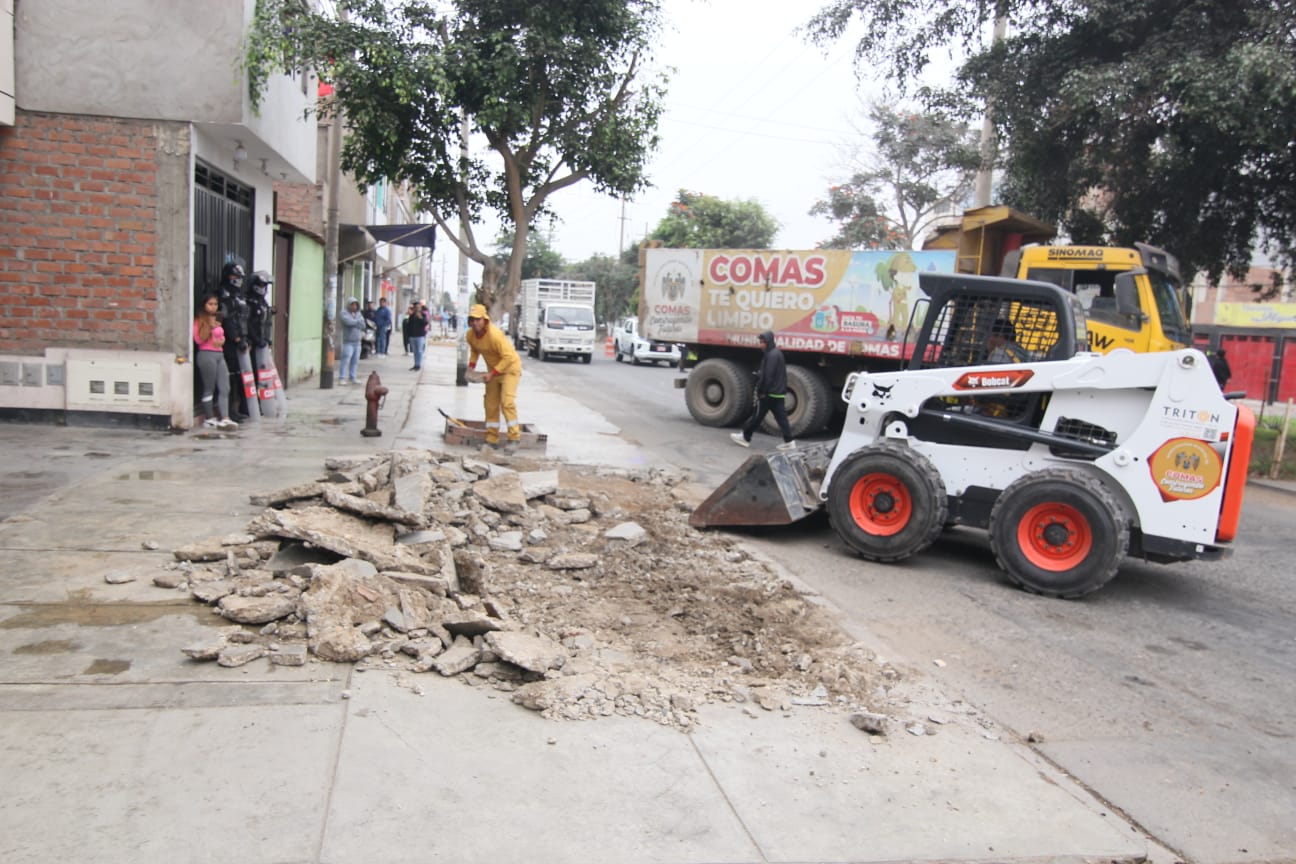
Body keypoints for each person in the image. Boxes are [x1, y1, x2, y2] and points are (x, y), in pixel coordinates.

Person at [465, 303, 524, 448]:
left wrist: (492, 373)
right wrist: (470, 368)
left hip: (510, 369)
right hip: (493, 371)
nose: (475, 323)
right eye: (472, 320)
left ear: (485, 320)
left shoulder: (495, 335)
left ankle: (514, 438)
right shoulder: (471, 335)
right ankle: (491, 440)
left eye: (478, 319)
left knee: (507, 403)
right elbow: (475, 350)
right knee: (490, 404)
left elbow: (508, 357)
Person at [730, 330, 795, 450]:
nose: (760, 345)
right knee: (781, 418)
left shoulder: (771, 355)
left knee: (757, 416)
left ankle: (745, 437)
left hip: (769, 393)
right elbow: (774, 373)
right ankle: (789, 442)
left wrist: (761, 391)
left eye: (762, 342)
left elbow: (768, 376)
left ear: (768, 342)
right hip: (778, 393)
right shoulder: (778, 354)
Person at [193, 294, 238, 430]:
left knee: (225, 386)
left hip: (219, 354)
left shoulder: (217, 319)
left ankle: (225, 417)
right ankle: (209, 417)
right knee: (209, 387)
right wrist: (210, 327)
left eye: (215, 304)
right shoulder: (199, 321)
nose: (213, 307)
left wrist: (221, 340)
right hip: (206, 354)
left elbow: (221, 336)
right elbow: (199, 340)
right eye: (210, 304)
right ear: (204, 306)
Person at [217, 261, 251, 419]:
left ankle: (242, 408)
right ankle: (229, 411)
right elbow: (228, 319)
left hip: (241, 340)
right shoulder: (224, 294)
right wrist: (236, 337)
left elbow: (243, 319)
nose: (237, 279)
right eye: (234, 276)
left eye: (239, 276)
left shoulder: (239, 295)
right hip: (228, 342)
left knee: (240, 376)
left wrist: (246, 338)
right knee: (230, 376)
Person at [338, 297, 364, 384]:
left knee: (355, 361)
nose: (354, 306)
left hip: (357, 342)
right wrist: (357, 322)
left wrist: (355, 321)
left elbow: (363, 324)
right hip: (348, 342)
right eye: (352, 304)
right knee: (345, 359)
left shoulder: (358, 313)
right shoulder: (344, 313)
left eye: (356, 304)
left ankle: (352, 377)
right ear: (349, 305)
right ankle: (342, 377)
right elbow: (348, 322)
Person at [407, 301, 430, 370]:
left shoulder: (423, 315)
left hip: (420, 336)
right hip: (412, 336)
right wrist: (409, 335)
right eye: (416, 307)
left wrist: (420, 317)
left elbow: (426, 323)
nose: (417, 309)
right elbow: (409, 325)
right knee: (415, 351)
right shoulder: (412, 316)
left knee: (419, 351)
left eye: (419, 307)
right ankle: (415, 364)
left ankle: (418, 365)